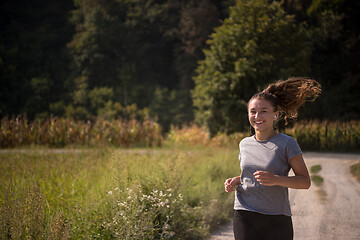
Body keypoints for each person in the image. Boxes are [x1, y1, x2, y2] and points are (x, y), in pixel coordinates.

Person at [224, 77, 321, 240]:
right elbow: (250, 175)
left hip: (276, 217)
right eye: (253, 111)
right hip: (244, 213)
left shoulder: (287, 143)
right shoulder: (244, 144)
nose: (257, 116)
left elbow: (305, 182)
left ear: (275, 115)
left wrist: (275, 179)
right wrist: (236, 180)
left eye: (263, 111)